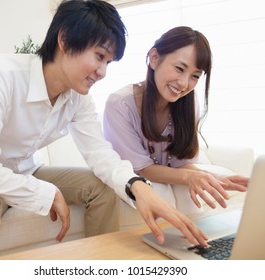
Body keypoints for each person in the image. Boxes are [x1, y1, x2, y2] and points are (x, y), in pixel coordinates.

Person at [0, 2, 208, 260]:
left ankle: (100, 265)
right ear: (65, 39)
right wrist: (44, 192)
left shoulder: (78, 97)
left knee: (101, 187)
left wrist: (139, 187)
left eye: (109, 62)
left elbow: (100, 153)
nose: (103, 71)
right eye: (99, 56)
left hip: (27, 169)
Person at [103, 26, 249, 217]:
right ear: (154, 58)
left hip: (165, 177)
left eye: (195, 76)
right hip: (132, 181)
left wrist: (217, 178)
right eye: (179, 69)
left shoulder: (187, 103)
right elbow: (141, 169)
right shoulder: (120, 103)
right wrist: (191, 176)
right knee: (164, 192)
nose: (184, 83)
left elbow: (182, 164)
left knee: (189, 192)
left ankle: (203, 244)